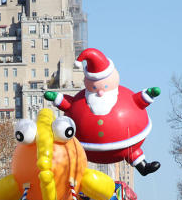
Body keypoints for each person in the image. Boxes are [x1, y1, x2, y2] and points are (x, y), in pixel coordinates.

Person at [43, 47, 161, 175]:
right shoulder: (79, 101)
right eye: (94, 87)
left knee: (132, 152)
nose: (100, 92)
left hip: (126, 144)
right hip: (86, 148)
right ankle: (70, 172)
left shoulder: (125, 97)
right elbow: (68, 105)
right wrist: (57, 98)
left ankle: (143, 167)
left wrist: (149, 94)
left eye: (104, 86)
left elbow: (139, 101)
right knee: (75, 158)